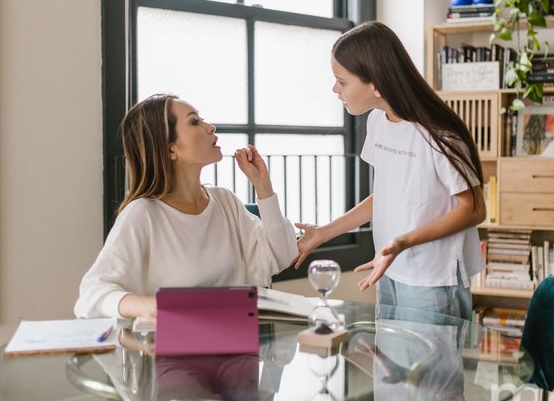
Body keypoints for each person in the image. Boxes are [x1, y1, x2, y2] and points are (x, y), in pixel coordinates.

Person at [294, 22, 486, 320]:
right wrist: (325, 232)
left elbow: (473, 209)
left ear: (376, 84)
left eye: (342, 81)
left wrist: (402, 241)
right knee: (391, 367)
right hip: (389, 268)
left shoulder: (439, 134)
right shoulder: (379, 122)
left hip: (433, 280)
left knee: (431, 367)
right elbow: (386, 195)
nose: (335, 89)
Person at [74, 94, 298, 320]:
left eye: (202, 120)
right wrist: (148, 307)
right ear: (170, 149)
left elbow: (281, 256)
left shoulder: (225, 202)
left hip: (236, 343)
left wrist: (264, 187)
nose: (210, 127)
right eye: (195, 122)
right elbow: (93, 293)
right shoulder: (143, 214)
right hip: (172, 349)